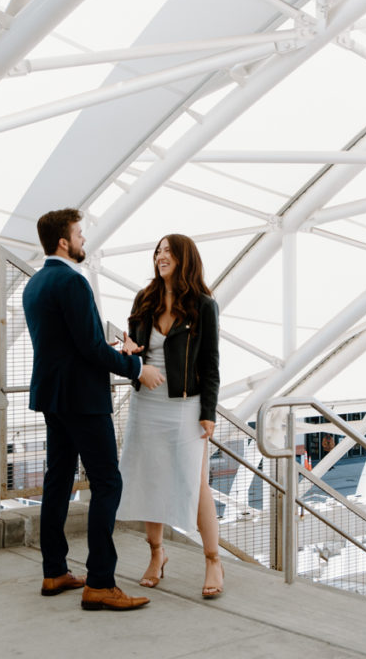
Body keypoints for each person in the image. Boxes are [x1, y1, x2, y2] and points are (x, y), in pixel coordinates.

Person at [22, 208, 164, 611]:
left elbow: (70, 341)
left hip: (53, 397)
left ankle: (54, 571)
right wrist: (137, 367)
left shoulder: (35, 284)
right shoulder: (72, 280)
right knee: (107, 483)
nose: (84, 241)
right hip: (83, 400)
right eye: (80, 234)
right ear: (64, 241)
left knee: (58, 479)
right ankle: (100, 582)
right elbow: (88, 349)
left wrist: (115, 345)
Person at [117, 234, 223, 599]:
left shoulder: (203, 306)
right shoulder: (144, 300)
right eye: (158, 251)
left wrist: (208, 412)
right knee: (150, 478)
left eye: (168, 252)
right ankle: (157, 554)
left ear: (184, 258)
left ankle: (212, 560)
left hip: (184, 405)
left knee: (196, 484)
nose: (161, 257)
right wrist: (130, 352)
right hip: (147, 403)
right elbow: (134, 350)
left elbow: (210, 364)